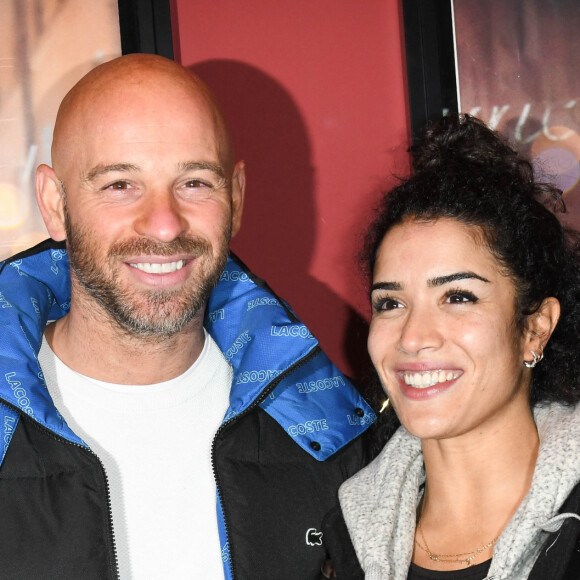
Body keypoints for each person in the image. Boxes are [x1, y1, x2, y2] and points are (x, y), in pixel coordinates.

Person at [0, 54, 375, 580]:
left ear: (236, 198)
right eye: (119, 184)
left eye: (195, 182)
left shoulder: (337, 434)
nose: (163, 224)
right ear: (55, 202)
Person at [323, 114, 580, 579]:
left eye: (458, 297)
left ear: (535, 328)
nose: (413, 336)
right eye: (391, 302)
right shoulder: (340, 541)